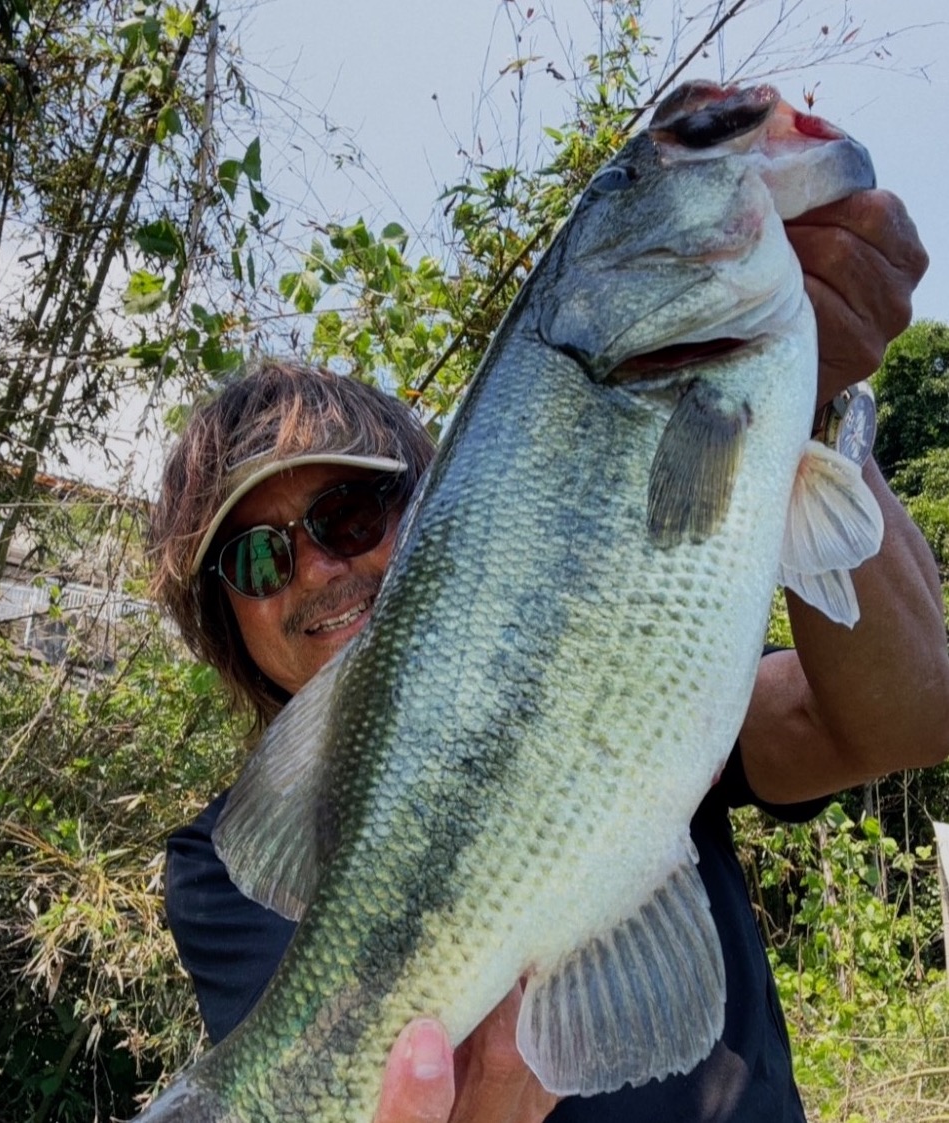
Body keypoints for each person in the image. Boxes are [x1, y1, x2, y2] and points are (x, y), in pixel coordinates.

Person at [147, 188, 949, 1123]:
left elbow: (913, 716)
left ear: (439, 514)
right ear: (223, 614)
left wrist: (802, 391)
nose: (320, 568)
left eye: (351, 515)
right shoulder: (219, 865)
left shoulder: (615, 677)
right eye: (258, 557)